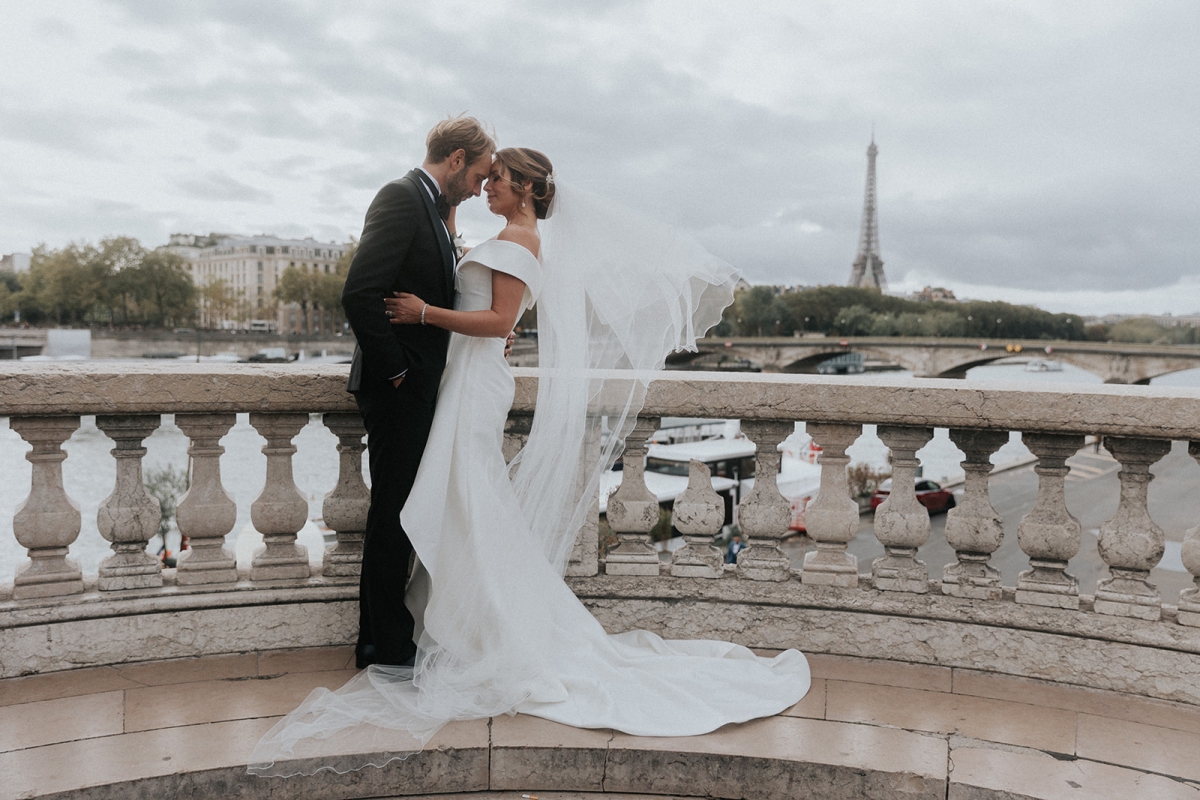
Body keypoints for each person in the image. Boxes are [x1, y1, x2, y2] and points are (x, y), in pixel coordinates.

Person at [249, 148, 809, 776]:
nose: (487, 187)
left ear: (523, 188)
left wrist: (423, 313)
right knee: (465, 501)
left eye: (497, 181)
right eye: (485, 178)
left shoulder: (519, 241)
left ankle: (478, 627)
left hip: (473, 386)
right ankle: (468, 619)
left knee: (468, 498)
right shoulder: (510, 235)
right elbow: (494, 313)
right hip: (464, 380)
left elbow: (496, 320)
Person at [340, 116, 495, 670]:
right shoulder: (401, 198)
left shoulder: (431, 209)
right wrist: (399, 374)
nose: (480, 188)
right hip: (396, 389)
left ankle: (386, 637)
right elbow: (360, 293)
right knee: (393, 514)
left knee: (402, 511)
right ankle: (381, 643)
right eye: (477, 175)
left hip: (416, 385)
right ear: (455, 160)